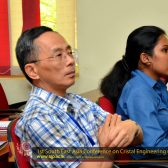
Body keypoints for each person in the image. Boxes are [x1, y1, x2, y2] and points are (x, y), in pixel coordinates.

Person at [15, 26, 143, 168]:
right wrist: (107, 147)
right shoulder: (38, 118)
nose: (70, 60)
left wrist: (133, 127)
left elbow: (134, 137)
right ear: (32, 71)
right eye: (58, 55)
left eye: (70, 53)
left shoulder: (78, 101)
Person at [100, 26, 168, 150]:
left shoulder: (158, 85)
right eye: (165, 50)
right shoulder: (139, 92)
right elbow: (155, 146)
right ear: (145, 58)